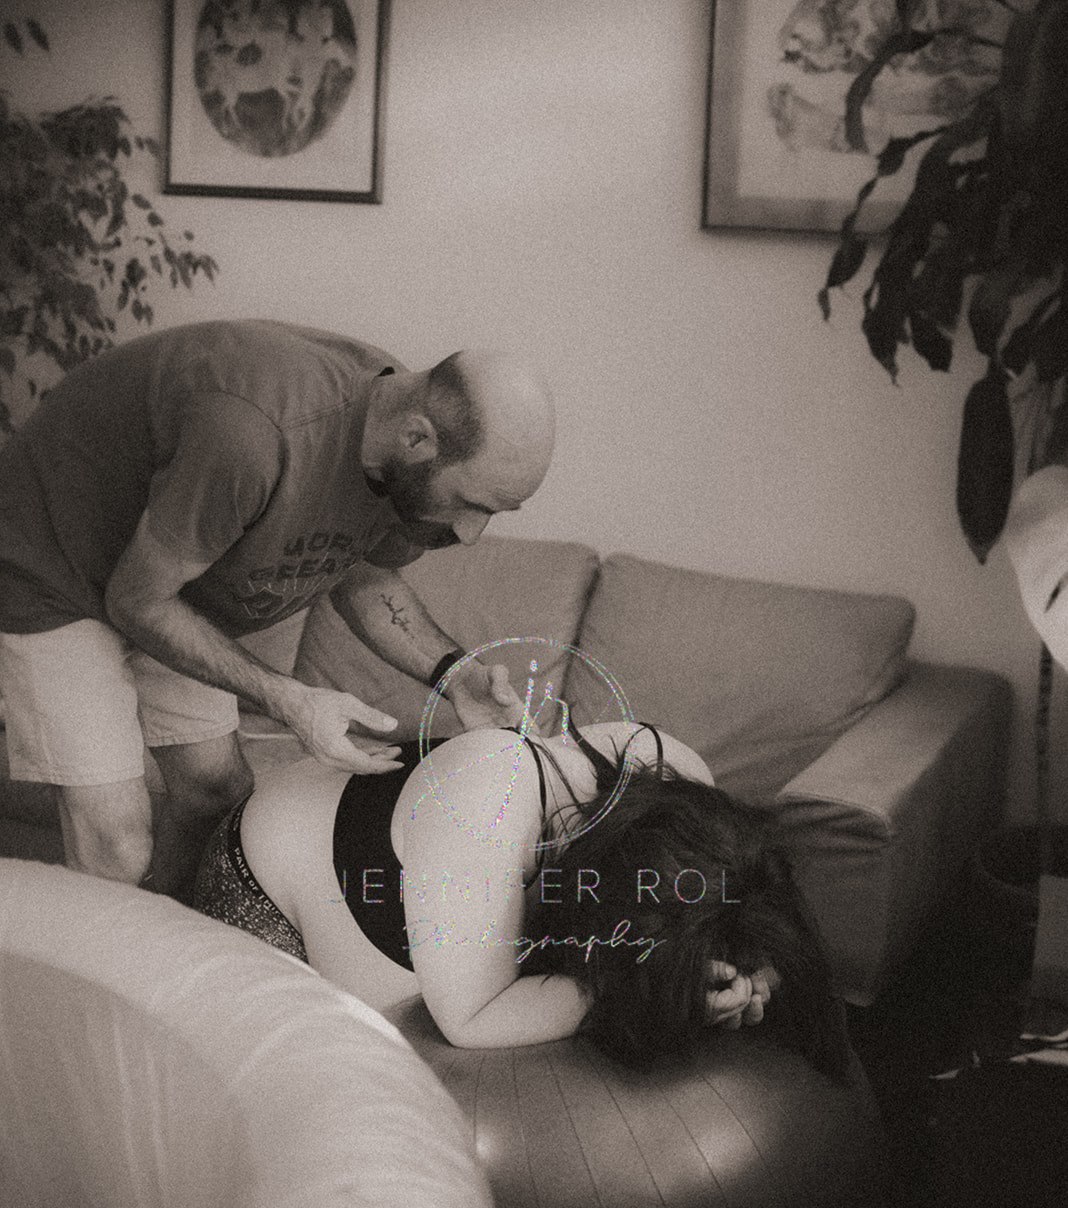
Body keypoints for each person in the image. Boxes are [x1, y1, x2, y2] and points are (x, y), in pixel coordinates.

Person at [0, 320, 554, 897]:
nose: (470, 535)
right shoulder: (255, 433)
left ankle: (159, 953)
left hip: (171, 579)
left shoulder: (400, 442)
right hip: (53, 568)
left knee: (215, 795)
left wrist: (455, 677)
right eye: (470, 505)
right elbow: (137, 601)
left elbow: (361, 573)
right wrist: (291, 699)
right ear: (417, 441)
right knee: (115, 845)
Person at [192, 702, 852, 1071]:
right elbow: (469, 1022)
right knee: (358, 1067)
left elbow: (743, 893)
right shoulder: (487, 805)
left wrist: (759, 971)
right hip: (266, 890)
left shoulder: (671, 768)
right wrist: (660, 994)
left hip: (439, 863)